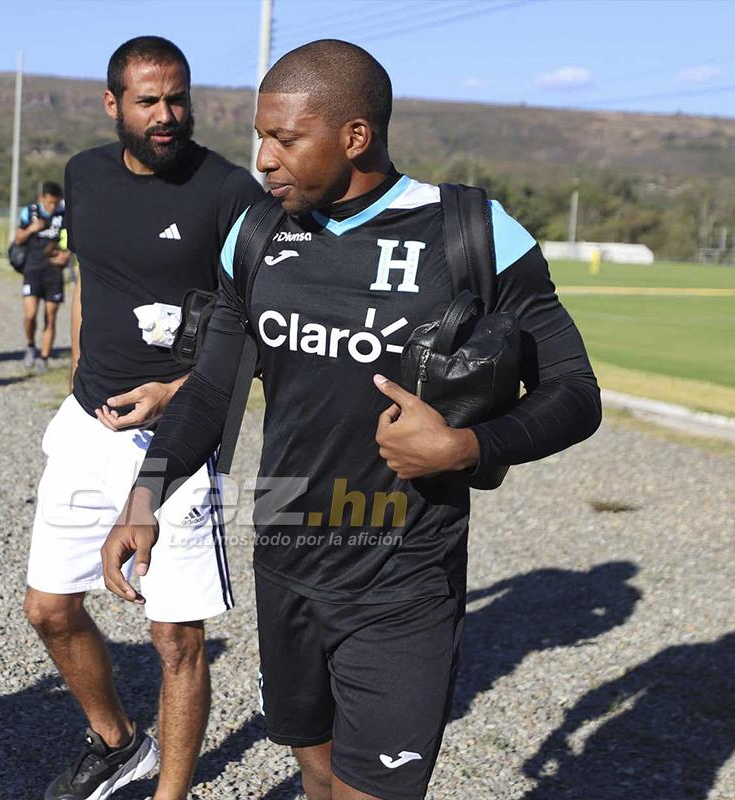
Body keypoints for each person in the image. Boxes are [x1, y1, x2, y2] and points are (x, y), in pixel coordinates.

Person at [101, 40, 602, 800]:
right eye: (260, 137)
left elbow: (575, 392)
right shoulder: (258, 234)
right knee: (317, 769)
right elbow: (212, 390)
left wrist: (465, 446)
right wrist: (144, 501)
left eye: (286, 139)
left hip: (403, 577)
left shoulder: (471, 232)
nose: (264, 159)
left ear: (356, 137)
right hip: (286, 555)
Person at [22, 36, 263, 800]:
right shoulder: (84, 175)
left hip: (180, 437)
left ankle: (172, 795)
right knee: (50, 610)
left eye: (178, 98)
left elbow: (261, 327)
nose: (167, 115)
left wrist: (174, 390)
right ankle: (121, 744)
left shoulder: (231, 193)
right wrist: (76, 374)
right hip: (87, 427)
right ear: (113, 104)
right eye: (149, 101)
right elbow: (93, 281)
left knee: (175, 639)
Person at [14, 181, 69, 371]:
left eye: (55, 203)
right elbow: (18, 238)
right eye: (49, 202)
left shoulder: (64, 215)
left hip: (54, 272)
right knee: (30, 315)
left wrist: (66, 256)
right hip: (32, 269)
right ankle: (30, 345)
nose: (52, 207)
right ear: (41, 198)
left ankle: (44, 358)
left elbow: (71, 242)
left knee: (50, 316)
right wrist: (31, 228)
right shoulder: (29, 213)